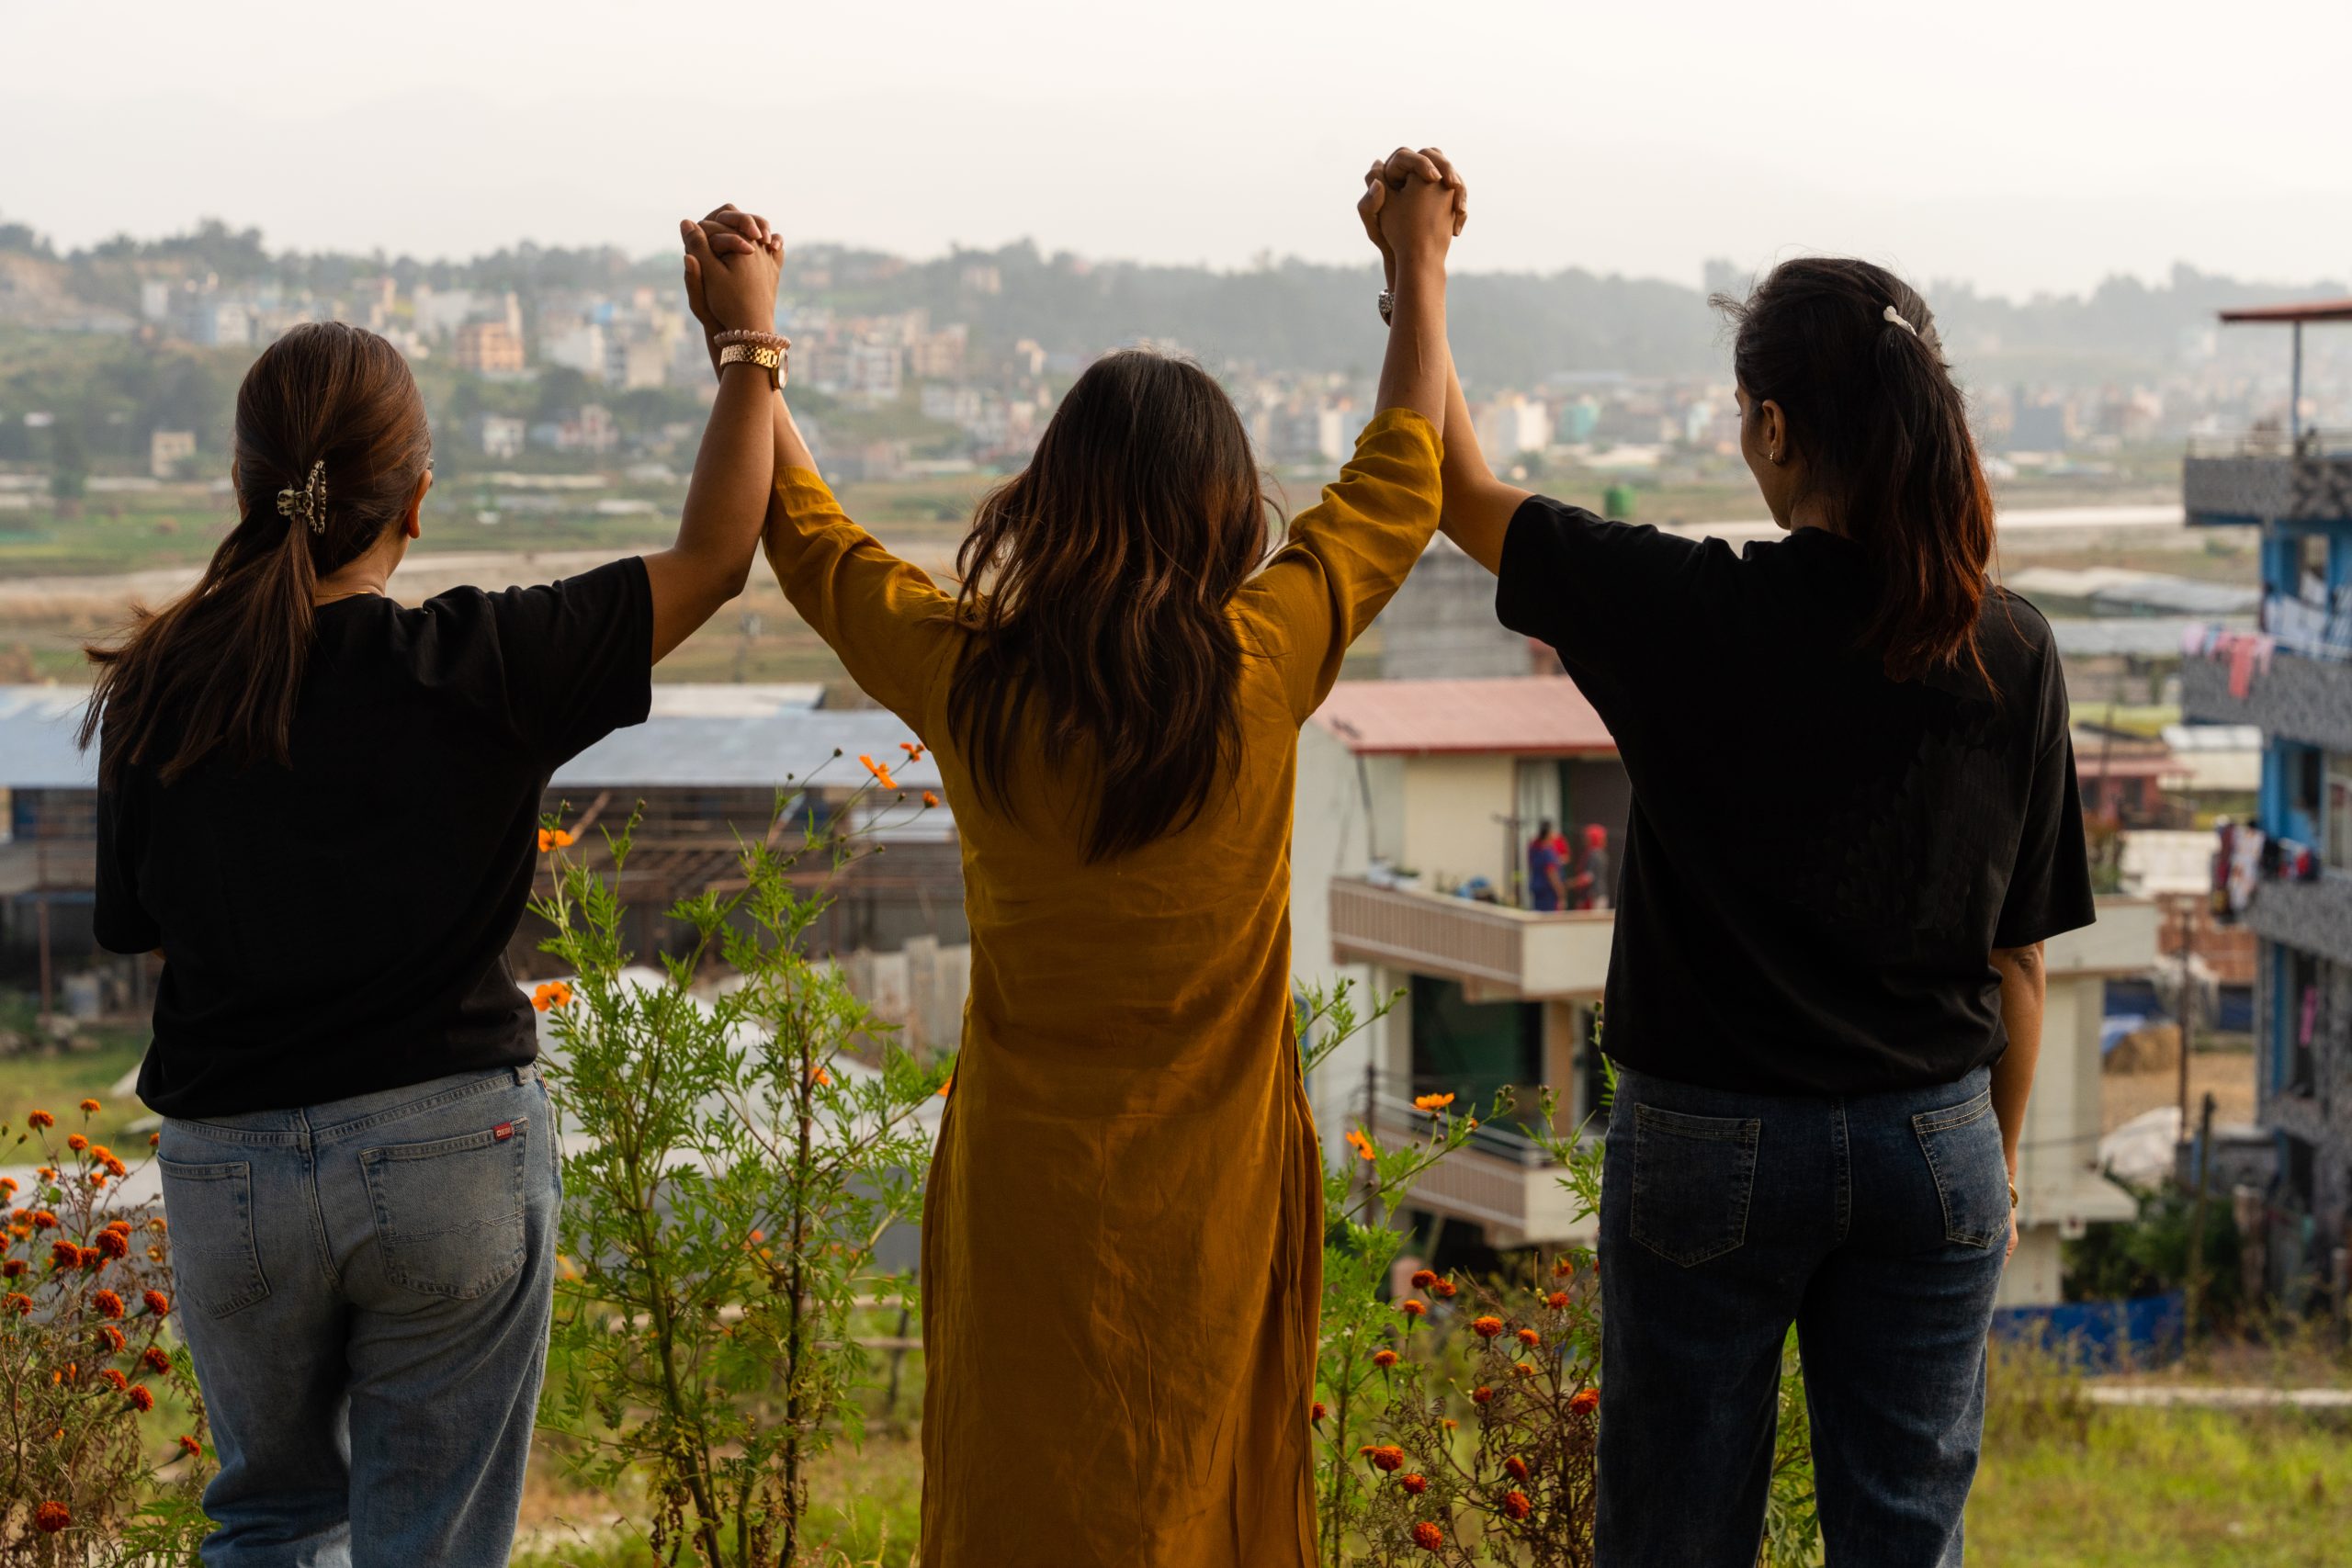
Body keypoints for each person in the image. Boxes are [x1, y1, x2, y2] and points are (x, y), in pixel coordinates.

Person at [684, 152, 1461, 1567]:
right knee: (1204, 1485)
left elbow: (810, 540)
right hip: (1216, 1190)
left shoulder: (974, 678)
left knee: (1023, 1494)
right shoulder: (1262, 660)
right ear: (1228, 511)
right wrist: (1417, 259)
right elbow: (1401, 473)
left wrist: (749, 345)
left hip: (1029, 1193)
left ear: (1049, 494)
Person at [1365, 153, 2093, 1565]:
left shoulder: (1686, 609)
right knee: (1903, 1535)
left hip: (1708, 1139)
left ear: (1771, 426)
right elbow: (2020, 957)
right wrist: (1991, 1163)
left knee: (1678, 1535)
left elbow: (1456, 489)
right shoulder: (2012, 643)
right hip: (1931, 1137)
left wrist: (1418, 267)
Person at [83, 214, 785, 1566]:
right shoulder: (480, 664)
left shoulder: (158, 688)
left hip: (230, 1168)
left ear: (245, 487)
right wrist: (746, 338)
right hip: (451, 1158)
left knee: (272, 1518)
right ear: (417, 499)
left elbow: (138, 932)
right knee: (433, 1537)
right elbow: (713, 559)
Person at [1528, 816, 1567, 910]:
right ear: (1549, 833)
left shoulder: (1534, 848)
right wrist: (1562, 895)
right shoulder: (1547, 853)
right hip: (1548, 893)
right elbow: (1552, 875)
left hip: (1538, 890)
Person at [1571, 822, 1612, 911]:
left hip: (1594, 895)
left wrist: (1572, 883)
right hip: (1600, 893)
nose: (1585, 840)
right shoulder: (1600, 853)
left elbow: (1589, 877)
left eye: (1587, 838)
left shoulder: (1595, 854)